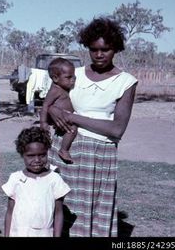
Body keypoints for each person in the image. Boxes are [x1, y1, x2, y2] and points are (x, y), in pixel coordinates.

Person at [47, 17, 138, 237]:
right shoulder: (72, 74)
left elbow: (117, 129)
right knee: (60, 207)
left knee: (90, 211)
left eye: (105, 49)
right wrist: (52, 111)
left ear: (115, 48)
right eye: (94, 49)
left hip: (98, 153)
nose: (99, 55)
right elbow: (52, 102)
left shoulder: (126, 82)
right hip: (64, 147)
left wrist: (73, 117)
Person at [2, 126, 70, 237]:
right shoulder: (15, 178)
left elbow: (58, 213)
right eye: (31, 156)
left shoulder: (54, 179)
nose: (37, 160)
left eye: (42, 155)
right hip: (19, 233)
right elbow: (10, 211)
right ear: (22, 155)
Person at [39, 58, 77, 163]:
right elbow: (46, 105)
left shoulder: (64, 87)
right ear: (55, 78)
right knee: (73, 128)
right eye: (68, 77)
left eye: (73, 76)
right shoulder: (55, 90)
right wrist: (43, 122)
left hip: (63, 118)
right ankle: (64, 150)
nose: (73, 79)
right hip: (58, 120)